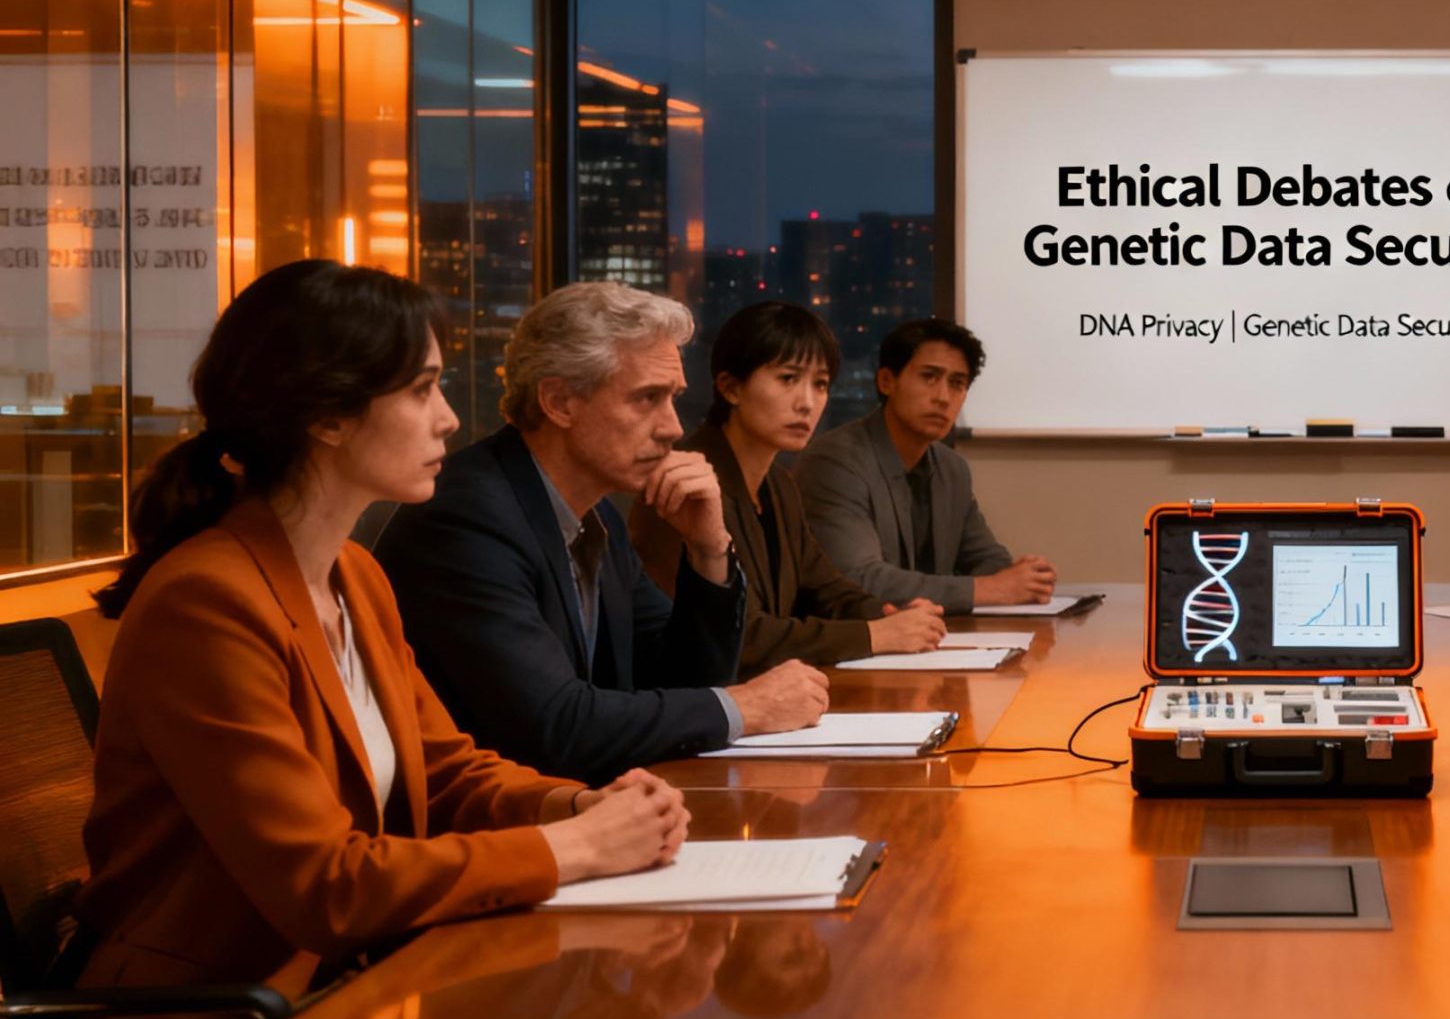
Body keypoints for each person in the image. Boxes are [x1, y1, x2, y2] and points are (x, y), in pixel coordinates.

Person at [49, 261, 689, 1019]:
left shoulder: (354, 573)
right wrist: (573, 848)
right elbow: (326, 886)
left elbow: (447, 771)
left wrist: (577, 801)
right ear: (326, 415)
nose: (451, 417)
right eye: (423, 388)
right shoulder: (208, 600)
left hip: (357, 1004)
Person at [375, 282, 828, 783]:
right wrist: (747, 705)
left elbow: (682, 680)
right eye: (647, 399)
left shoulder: (598, 514)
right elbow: (556, 727)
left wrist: (708, 550)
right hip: (494, 832)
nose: (673, 427)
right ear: (559, 401)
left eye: (673, 398)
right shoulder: (466, 517)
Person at [630, 301, 947, 668]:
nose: (808, 403)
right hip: (702, 700)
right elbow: (736, 634)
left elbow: (824, 586)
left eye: (821, 384)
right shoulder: (688, 482)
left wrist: (889, 613)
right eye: (788, 379)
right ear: (731, 388)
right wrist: (874, 635)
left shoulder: (778, 482)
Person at [796, 317, 1055, 613]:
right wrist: (988, 589)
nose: (943, 397)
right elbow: (857, 578)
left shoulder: (951, 468)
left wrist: (1025, 577)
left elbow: (986, 560)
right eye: (929, 377)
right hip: (851, 645)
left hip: (928, 639)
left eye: (957, 383)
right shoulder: (835, 461)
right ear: (886, 381)